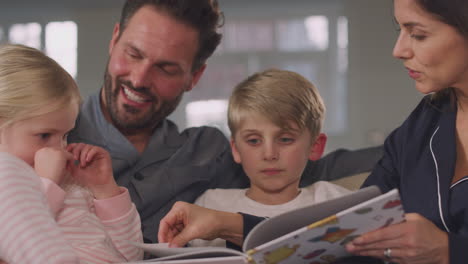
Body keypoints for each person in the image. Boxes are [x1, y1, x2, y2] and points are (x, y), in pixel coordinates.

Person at [160, 0, 468, 263]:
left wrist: (448, 250)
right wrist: (227, 224)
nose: (398, 49)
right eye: (399, 30)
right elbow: (352, 236)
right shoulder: (421, 128)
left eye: (418, 34)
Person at [68, 0, 383, 244]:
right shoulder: (49, 133)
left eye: (165, 68)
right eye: (133, 53)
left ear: (195, 76)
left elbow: (308, 170)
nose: (138, 78)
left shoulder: (207, 152)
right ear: (114, 40)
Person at [0, 44, 144, 264]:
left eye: (66, 135)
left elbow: (132, 255)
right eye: (44, 135)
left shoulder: (72, 184)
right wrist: (46, 183)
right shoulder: (6, 183)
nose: (59, 149)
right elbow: (25, 238)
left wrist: (105, 189)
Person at [190, 69, 351, 248]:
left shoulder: (333, 201)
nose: (269, 154)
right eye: (253, 141)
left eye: (285, 139)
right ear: (236, 150)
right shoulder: (211, 204)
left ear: (315, 146)